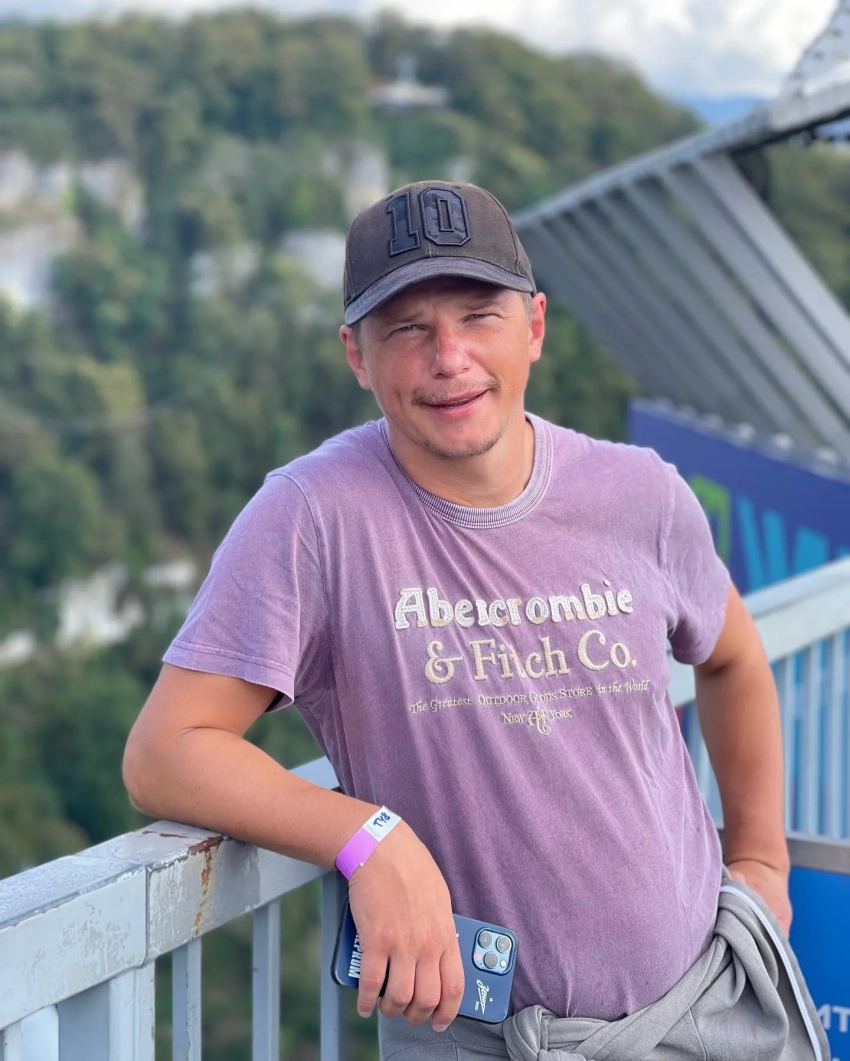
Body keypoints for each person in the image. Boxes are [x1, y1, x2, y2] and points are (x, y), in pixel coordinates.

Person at [123, 181, 827, 1060]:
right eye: (406, 328)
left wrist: (761, 861)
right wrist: (368, 838)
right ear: (356, 354)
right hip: (483, 1039)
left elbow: (733, 658)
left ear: (534, 326)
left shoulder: (641, 493)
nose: (448, 357)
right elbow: (166, 750)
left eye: (478, 315)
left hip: (702, 1011)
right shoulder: (312, 516)